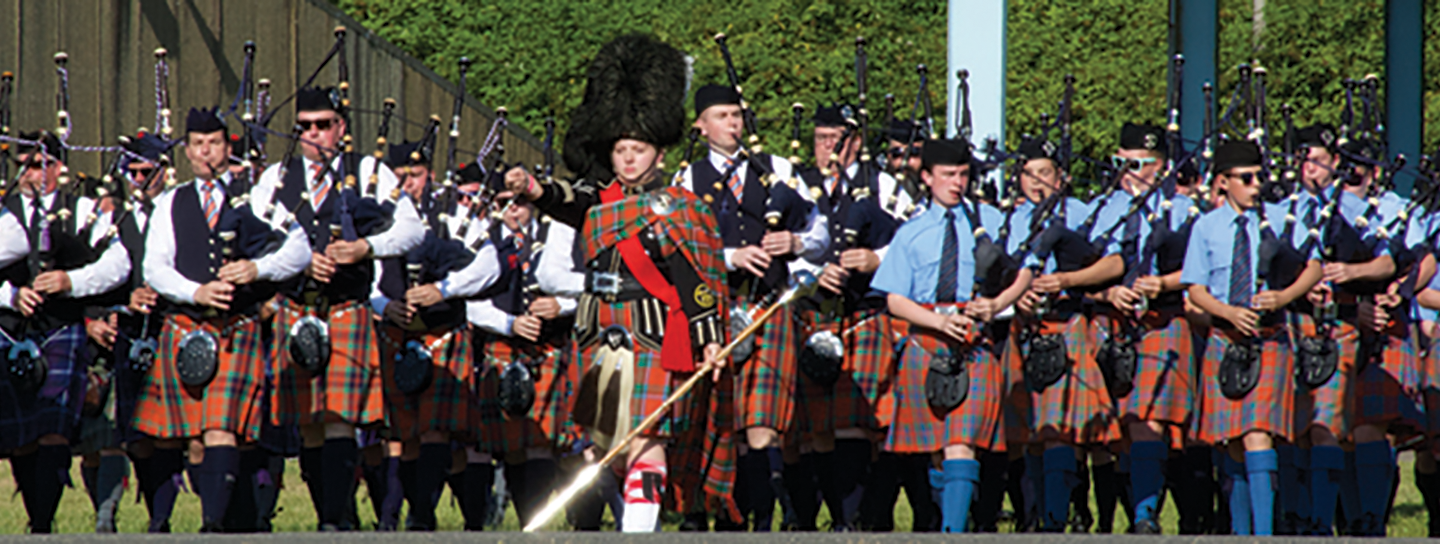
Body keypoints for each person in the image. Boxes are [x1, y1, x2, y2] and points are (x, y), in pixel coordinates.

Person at [505, 34, 732, 532]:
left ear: (659, 152)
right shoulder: (598, 200)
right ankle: (634, 518)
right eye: (621, 149)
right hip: (596, 332)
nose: (629, 158)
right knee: (599, 449)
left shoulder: (678, 208)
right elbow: (566, 196)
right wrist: (534, 188)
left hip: (652, 335)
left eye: (639, 149)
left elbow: (695, 282)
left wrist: (710, 336)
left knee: (646, 439)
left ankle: (639, 534)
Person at [248, 85, 424, 530]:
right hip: (296, 308)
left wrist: (365, 247)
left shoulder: (368, 171)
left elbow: (412, 230)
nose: (313, 135)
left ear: (340, 127)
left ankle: (331, 524)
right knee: (308, 422)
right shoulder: (274, 179)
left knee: (341, 419)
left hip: (347, 308)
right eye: (304, 127)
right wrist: (302, 262)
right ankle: (337, 515)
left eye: (323, 125)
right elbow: (258, 239)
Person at [136, 107, 311, 531]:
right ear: (188, 153)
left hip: (236, 329)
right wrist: (195, 291)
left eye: (214, 143)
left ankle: (212, 527)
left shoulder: (257, 198)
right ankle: (234, 520)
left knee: (221, 429)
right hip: (187, 326)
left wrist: (257, 269)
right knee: (196, 442)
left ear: (227, 147)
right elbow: (154, 268)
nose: (206, 152)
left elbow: (300, 249)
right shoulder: (169, 203)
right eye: (198, 145)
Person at [674, 83, 826, 531]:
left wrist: (796, 242)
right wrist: (728, 256)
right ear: (701, 126)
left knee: (763, 421)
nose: (733, 123)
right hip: (712, 309)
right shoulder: (686, 179)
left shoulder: (777, 169)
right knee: (720, 419)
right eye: (722, 116)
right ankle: (721, 515)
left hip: (768, 304)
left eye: (737, 115)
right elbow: (677, 249)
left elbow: (822, 234)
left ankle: (762, 519)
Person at [871, 138, 1030, 532]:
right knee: (936, 452)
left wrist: (997, 304)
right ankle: (945, 520)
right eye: (947, 175)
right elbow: (894, 299)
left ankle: (953, 534)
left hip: (976, 341)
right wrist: (938, 322)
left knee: (961, 441)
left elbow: (1026, 271)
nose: (956, 183)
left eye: (962, 174)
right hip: (927, 340)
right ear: (927, 177)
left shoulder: (992, 223)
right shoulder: (910, 233)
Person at [1182, 140, 1320, 535]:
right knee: (1228, 441)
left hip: (1269, 336)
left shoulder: (1281, 219)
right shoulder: (1205, 227)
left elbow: (1314, 266)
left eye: (1260, 176)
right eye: (1247, 178)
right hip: (1225, 339)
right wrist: (1226, 312)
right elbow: (1195, 287)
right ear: (1223, 182)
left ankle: (1264, 535)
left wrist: (1284, 296)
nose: (1256, 184)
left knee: (1258, 432)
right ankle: (1242, 535)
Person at [0, 130, 131, 533]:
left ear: (60, 167)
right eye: (24, 166)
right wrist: (10, 295)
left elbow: (119, 263)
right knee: (20, 436)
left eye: (41, 165)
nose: (32, 174)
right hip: (9, 331)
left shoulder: (85, 210)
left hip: (61, 328)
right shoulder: (3, 213)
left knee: (55, 429)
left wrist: (71, 281)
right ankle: (39, 518)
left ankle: (42, 524)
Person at [371, 139, 501, 531]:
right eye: (399, 177)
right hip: (396, 333)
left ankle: (425, 518)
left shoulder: (454, 212)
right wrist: (383, 306)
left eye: (415, 175)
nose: (407, 184)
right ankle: (414, 516)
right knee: (405, 436)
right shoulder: (378, 215)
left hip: (443, 333)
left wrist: (444, 289)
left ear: (428, 173)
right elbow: (366, 280)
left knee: (435, 430)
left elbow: (489, 265)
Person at [790, 104, 905, 532]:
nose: (828, 149)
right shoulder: (796, 183)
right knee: (818, 427)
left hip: (867, 312)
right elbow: (783, 246)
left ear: (855, 142)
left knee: (859, 422)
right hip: (814, 311)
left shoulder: (885, 185)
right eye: (821, 139)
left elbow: (914, 237)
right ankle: (837, 518)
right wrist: (815, 273)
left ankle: (859, 519)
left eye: (837, 139)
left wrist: (877, 258)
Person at [1092, 123, 1201, 534]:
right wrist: (1107, 294)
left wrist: (1164, 283)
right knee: (1116, 430)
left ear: (1162, 167)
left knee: (1147, 420)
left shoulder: (1183, 211)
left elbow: (1200, 269)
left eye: (1140, 163)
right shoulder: (1103, 209)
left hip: (1161, 321)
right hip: (1113, 323)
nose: (1129, 170)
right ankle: (1120, 513)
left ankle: (1145, 516)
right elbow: (1083, 268)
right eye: (1123, 161)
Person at [468, 174, 582, 528]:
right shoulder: (479, 241)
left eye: (518, 201)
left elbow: (588, 285)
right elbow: (465, 302)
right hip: (502, 349)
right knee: (514, 447)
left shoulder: (558, 237)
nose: (511, 209)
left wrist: (560, 306)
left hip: (548, 349)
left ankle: (539, 523)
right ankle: (525, 523)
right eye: (503, 202)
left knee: (541, 444)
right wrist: (508, 323)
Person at [82, 131, 170, 532]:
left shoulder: (180, 211)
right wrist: (105, 312)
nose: (139, 180)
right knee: (129, 436)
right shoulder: (121, 222)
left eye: (146, 171)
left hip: (176, 329)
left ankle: (170, 520)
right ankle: (112, 519)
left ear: (165, 172)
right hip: (128, 336)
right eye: (132, 172)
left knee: (174, 436)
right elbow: (103, 274)